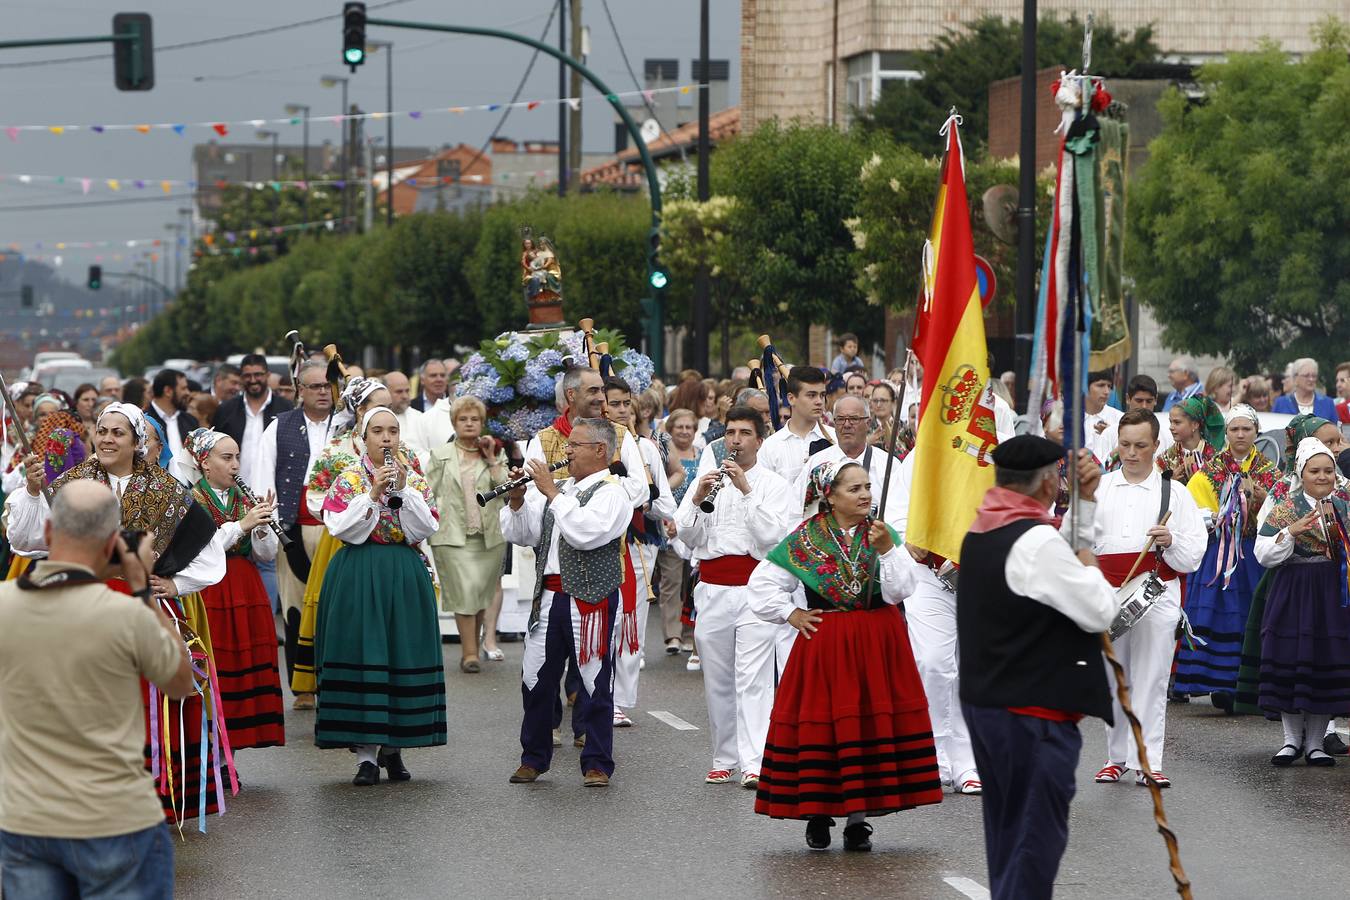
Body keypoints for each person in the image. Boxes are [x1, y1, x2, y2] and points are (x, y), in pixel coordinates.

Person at [8, 403, 228, 827]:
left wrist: (176, 585)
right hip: (78, 609)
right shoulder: (69, 486)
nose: (107, 439)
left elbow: (208, 548)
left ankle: (157, 800)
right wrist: (34, 492)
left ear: (137, 443)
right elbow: (27, 540)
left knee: (151, 701)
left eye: (118, 433)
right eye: (102, 431)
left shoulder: (167, 490)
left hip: (140, 606)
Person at [0, 481, 194, 900]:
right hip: (115, 818)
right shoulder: (126, 615)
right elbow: (182, 682)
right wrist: (142, 588)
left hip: (25, 818)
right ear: (111, 543)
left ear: (49, 533)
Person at [748, 461, 943, 851]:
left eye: (867, 487)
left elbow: (901, 589)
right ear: (830, 495)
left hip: (876, 639)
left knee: (866, 727)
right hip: (827, 643)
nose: (865, 495)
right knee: (825, 726)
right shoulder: (807, 537)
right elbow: (762, 584)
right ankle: (819, 814)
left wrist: (888, 551)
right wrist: (792, 613)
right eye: (854, 489)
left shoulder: (881, 535)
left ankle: (858, 820)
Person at [957, 436, 1118, 900]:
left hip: (993, 705)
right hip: (1031, 715)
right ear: (1049, 481)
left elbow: (1050, 557)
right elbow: (1099, 609)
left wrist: (1084, 506)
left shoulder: (985, 527)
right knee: (1033, 845)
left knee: (1010, 838)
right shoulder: (1034, 539)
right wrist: (1089, 561)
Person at [315, 406, 444, 786]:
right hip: (358, 572)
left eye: (392, 431)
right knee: (364, 654)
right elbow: (342, 529)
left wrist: (402, 489)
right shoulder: (349, 478)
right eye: (378, 432)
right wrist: (372, 494)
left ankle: (394, 748)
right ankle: (367, 757)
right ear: (363, 436)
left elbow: (425, 526)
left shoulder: (413, 479)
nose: (386, 438)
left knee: (398, 655)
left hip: (403, 573)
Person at [501, 417, 631, 787]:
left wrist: (552, 495)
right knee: (535, 678)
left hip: (591, 598)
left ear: (600, 450)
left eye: (575, 445)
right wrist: (517, 499)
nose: (566, 450)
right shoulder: (558, 488)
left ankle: (597, 762)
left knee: (594, 682)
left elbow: (586, 534)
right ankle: (533, 757)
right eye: (568, 443)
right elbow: (524, 535)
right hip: (550, 597)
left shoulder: (612, 491)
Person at [676, 405, 796, 788]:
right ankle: (724, 757)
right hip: (712, 588)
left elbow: (773, 539)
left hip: (755, 589)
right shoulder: (709, 479)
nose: (736, 440)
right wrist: (696, 498)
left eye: (744, 433)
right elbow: (686, 538)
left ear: (760, 441)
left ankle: (755, 761)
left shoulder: (774, 485)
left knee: (754, 678)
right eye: (730, 433)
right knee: (719, 679)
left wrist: (746, 490)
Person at [1089, 410, 1206, 789]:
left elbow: (1193, 554)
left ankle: (1148, 760)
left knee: (1152, 677)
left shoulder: (1175, 493)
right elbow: (1075, 541)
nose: (1132, 453)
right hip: (1108, 590)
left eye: (1141, 445)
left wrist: (1171, 541)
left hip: (1157, 587)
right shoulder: (1100, 488)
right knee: (1114, 677)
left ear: (1157, 445)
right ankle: (1115, 757)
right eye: (1125, 445)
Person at [175, 428, 286, 752]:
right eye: (227, 458)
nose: (236, 465)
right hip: (210, 590)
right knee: (216, 666)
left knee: (245, 667)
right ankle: (215, 752)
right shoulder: (189, 500)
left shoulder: (244, 499)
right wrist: (242, 525)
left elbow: (265, 555)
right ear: (205, 463)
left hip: (245, 586)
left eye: (237, 457)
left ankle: (232, 753)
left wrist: (264, 528)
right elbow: (200, 550)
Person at [290, 377, 398, 709]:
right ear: (361, 411)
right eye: (377, 406)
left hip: (391, 542)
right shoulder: (335, 448)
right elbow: (316, 496)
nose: (385, 417)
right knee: (340, 611)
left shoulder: (402, 452)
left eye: (389, 410)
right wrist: (351, 508)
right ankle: (330, 684)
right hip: (343, 541)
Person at [1172, 404, 1280, 711]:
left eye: (1247, 429)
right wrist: (1217, 517)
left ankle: (1247, 684)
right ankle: (1218, 684)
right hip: (1218, 557)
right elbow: (1191, 513)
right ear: (1227, 433)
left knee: (1248, 616)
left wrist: (1261, 500)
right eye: (1235, 429)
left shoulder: (1269, 473)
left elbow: (1281, 512)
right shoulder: (1209, 471)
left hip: (1252, 556)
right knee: (1218, 615)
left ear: (1256, 432)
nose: (1241, 434)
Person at [1254, 437, 1350, 767]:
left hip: (1332, 592)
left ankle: (1315, 742)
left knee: (1324, 657)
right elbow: (1263, 553)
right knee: (1290, 655)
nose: (1323, 477)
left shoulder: (1344, 506)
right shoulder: (1286, 507)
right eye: (1315, 471)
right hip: (1294, 589)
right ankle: (1290, 740)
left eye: (1328, 471)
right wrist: (1291, 532)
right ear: (1302, 473)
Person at [253, 360, 335, 701]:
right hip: (292, 528)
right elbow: (262, 477)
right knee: (295, 607)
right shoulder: (279, 426)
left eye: (327, 385)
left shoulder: (347, 426)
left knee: (335, 606)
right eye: (314, 386)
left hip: (338, 529)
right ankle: (302, 688)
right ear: (300, 390)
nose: (322, 392)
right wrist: (266, 527)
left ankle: (334, 683)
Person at [602, 376, 676, 727]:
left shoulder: (645, 448)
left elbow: (665, 503)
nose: (620, 410)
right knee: (598, 621)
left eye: (624, 404)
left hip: (636, 545)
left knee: (630, 622)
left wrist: (640, 501)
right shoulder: (591, 444)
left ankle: (618, 699)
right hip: (598, 544)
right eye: (613, 403)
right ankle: (591, 688)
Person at [426, 396, 509, 673]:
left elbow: (507, 488)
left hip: (489, 537)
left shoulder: (495, 453)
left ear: (482, 423)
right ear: (454, 423)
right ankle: (470, 653)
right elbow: (427, 493)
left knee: (479, 595)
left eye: (474, 419)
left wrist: (492, 459)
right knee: (464, 594)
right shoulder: (440, 455)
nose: (469, 423)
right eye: (463, 419)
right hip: (452, 537)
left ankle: (473, 649)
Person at [213, 353, 294, 489]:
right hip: (233, 491)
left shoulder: (286, 409)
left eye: (258, 375)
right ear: (241, 378)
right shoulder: (226, 409)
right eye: (247, 376)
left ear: (267, 375)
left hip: (274, 491)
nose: (253, 380)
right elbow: (214, 451)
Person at [659, 408, 700, 657]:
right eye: (679, 427)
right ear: (670, 430)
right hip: (670, 526)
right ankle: (672, 634)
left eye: (689, 427)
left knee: (693, 582)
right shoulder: (664, 455)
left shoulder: (703, 455)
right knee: (671, 581)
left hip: (694, 526)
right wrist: (668, 521)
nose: (684, 431)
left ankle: (688, 633)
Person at [759, 366, 835, 486]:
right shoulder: (771, 447)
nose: (819, 401)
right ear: (791, 399)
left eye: (822, 395)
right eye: (811, 395)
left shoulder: (835, 438)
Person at [1094, 374, 1171, 465]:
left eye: (1149, 401)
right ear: (1128, 399)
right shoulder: (1110, 434)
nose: (1144, 406)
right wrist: (1116, 454)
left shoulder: (1166, 435)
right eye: (1139, 401)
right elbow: (1098, 467)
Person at [1158, 396, 1224, 484]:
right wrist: (1170, 483)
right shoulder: (1165, 459)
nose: (1171, 427)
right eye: (1171, 422)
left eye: (1177, 422)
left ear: (1195, 425)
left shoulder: (1215, 458)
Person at [144, 368, 197, 459]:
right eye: (183, 388)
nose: (188, 393)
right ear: (168, 391)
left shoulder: (191, 421)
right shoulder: (143, 421)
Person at [383, 370, 430, 459]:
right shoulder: (376, 419)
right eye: (399, 392)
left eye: (407, 391)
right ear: (385, 392)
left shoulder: (420, 417)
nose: (405, 396)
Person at [1084, 370, 1122, 441]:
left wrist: (1111, 435)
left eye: (1109, 386)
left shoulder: (1120, 419)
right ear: (1085, 387)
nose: (1107, 392)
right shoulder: (1070, 417)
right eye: (1101, 385)